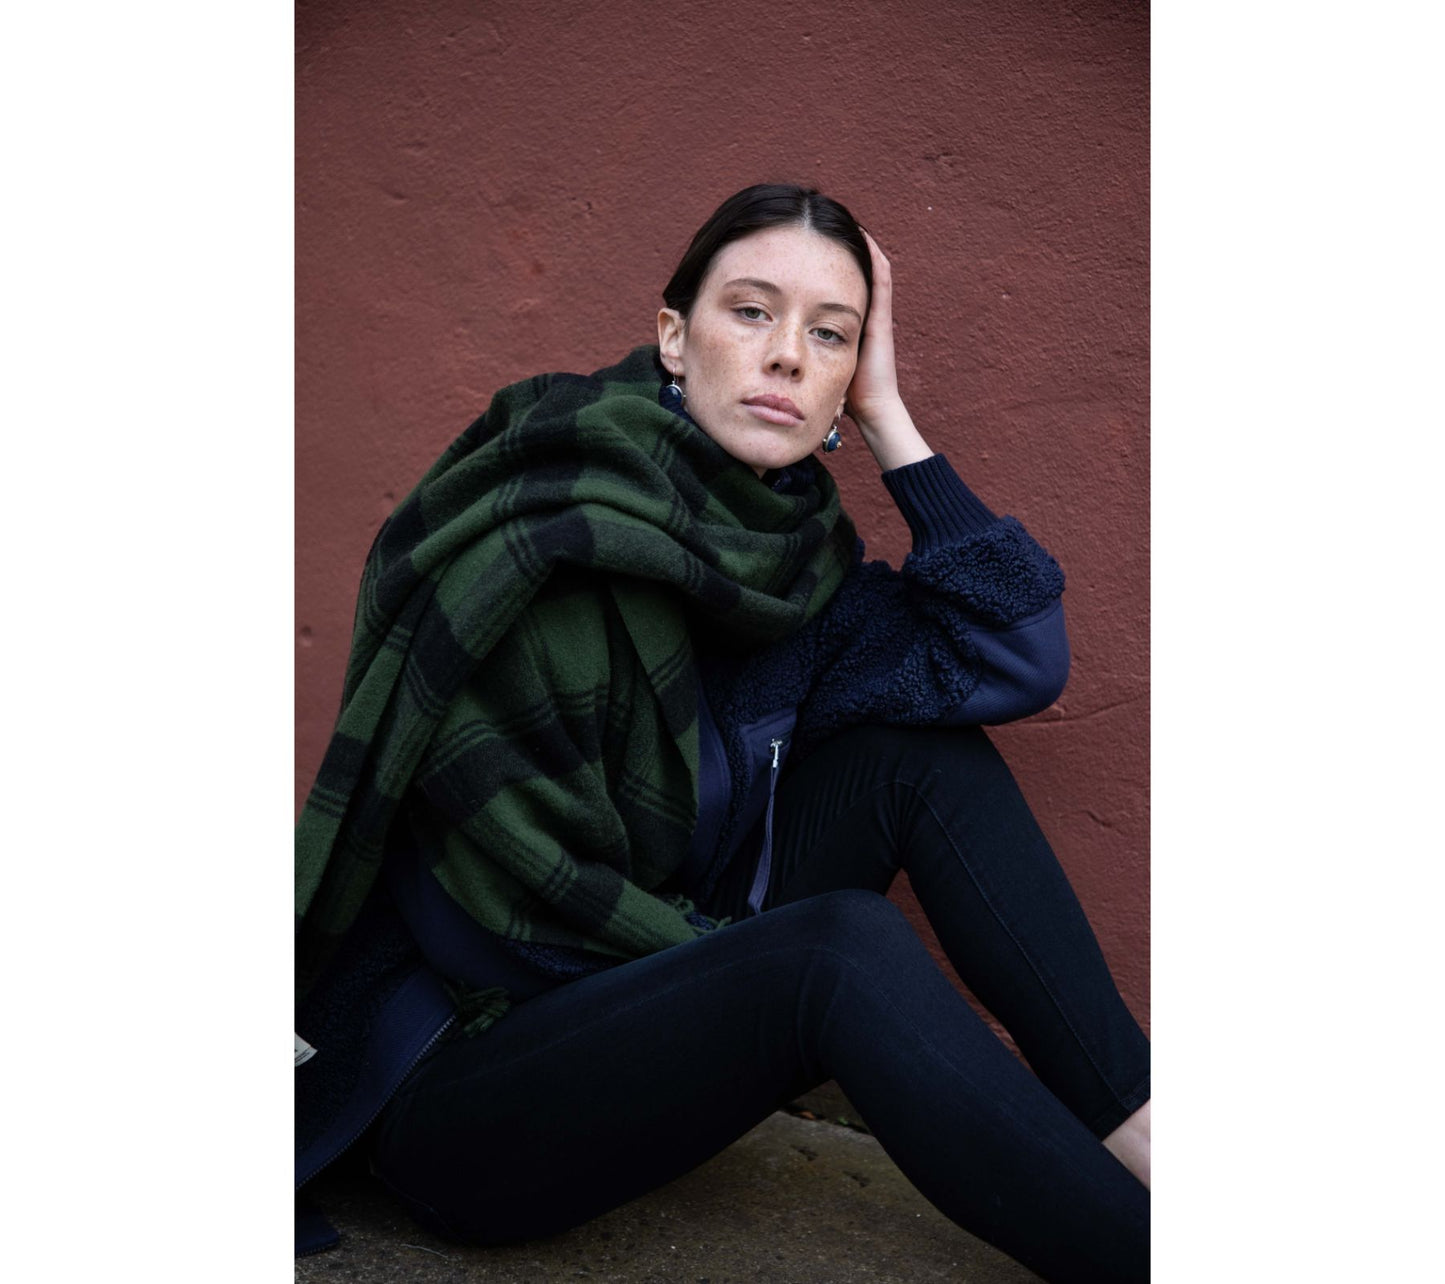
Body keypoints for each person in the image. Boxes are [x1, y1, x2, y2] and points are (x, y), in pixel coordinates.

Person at [295, 183, 1151, 1282]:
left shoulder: (785, 557)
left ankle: (1150, 1139)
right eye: (750, 312)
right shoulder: (546, 540)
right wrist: (748, 973)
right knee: (835, 952)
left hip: (645, 986)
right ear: (672, 336)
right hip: (465, 1078)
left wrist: (890, 419)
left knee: (915, 760)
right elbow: (516, 925)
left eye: (830, 336)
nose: (786, 354)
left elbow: (1014, 656)